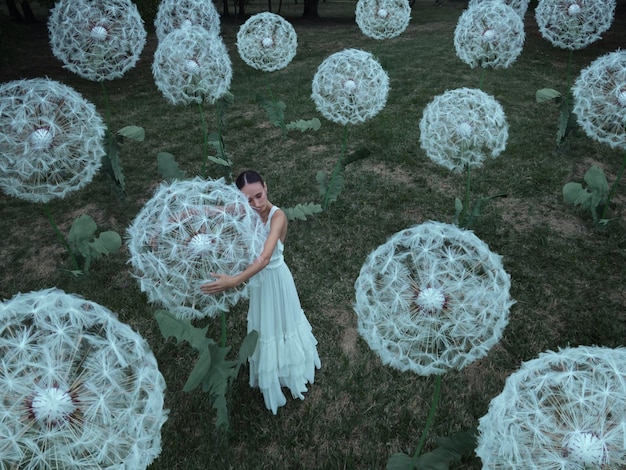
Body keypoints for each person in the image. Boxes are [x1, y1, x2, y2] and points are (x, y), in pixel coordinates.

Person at [200, 170, 321, 414]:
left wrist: (233, 281)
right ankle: (272, 369)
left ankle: (291, 370)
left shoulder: (278, 217)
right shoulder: (244, 211)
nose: (256, 204)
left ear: (266, 187)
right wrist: (174, 219)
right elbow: (209, 213)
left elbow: (265, 258)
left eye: (259, 195)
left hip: (277, 279)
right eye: (248, 200)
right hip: (259, 285)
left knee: (284, 325)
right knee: (265, 327)